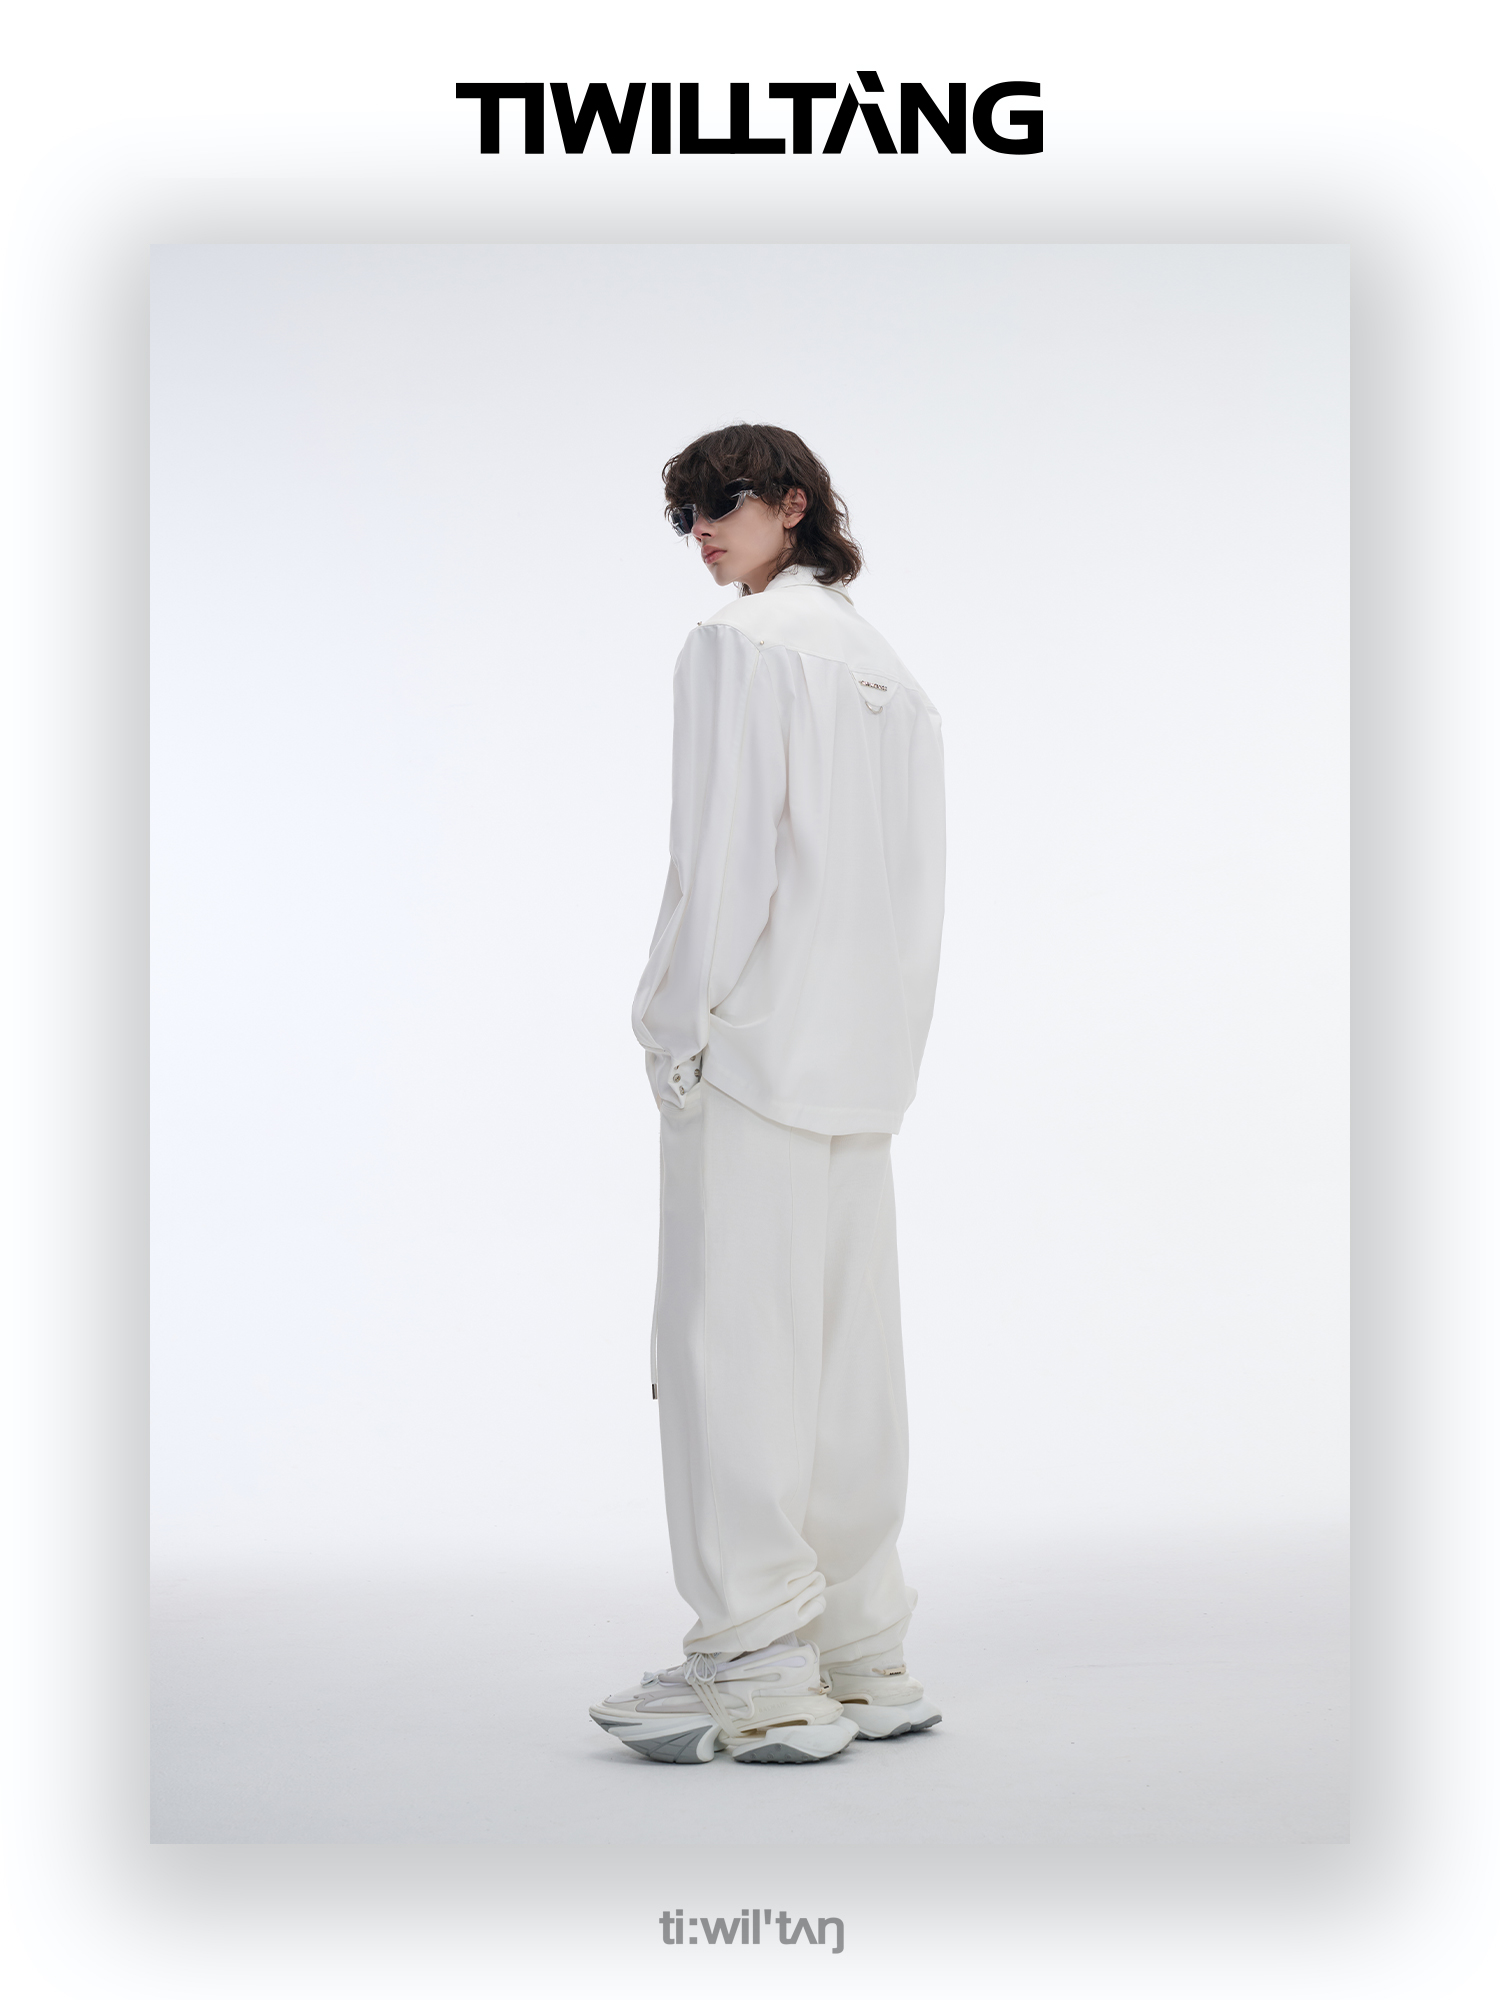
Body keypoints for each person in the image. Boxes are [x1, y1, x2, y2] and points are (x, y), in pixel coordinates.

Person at [589, 424, 947, 1766]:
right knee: (848, 1367)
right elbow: (917, 895)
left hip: (746, 1058)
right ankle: (862, 1651)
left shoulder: (740, 646)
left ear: (794, 504)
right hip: (860, 1067)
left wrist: (669, 1022)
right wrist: (890, 1043)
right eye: (685, 513)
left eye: (723, 503)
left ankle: (755, 1662)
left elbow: (721, 863)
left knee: (728, 1356)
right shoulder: (888, 672)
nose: (701, 532)